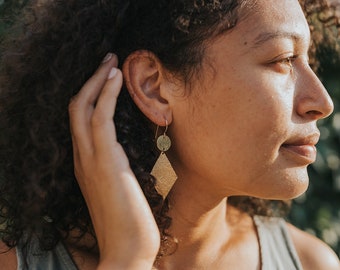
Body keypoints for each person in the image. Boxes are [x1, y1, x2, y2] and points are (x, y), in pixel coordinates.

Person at [0, 0, 339, 269]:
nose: (322, 102)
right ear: (154, 88)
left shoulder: (312, 263)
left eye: (308, 60)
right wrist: (127, 259)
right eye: (282, 59)